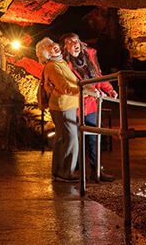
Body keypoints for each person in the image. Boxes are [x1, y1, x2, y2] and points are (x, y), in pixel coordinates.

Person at [37, 37, 99, 183]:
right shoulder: (53, 66)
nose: (54, 46)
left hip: (65, 105)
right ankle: (66, 172)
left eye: (53, 44)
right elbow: (65, 88)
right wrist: (85, 91)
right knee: (71, 140)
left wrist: (86, 87)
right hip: (63, 106)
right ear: (46, 53)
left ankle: (58, 171)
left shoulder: (60, 62)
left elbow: (72, 81)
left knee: (61, 138)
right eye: (49, 47)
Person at [62, 33, 117, 182]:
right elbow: (68, 84)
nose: (75, 43)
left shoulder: (88, 59)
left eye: (76, 40)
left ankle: (97, 170)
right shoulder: (63, 64)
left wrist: (109, 89)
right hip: (75, 106)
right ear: (65, 47)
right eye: (70, 41)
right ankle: (78, 172)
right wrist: (88, 91)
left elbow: (98, 76)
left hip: (91, 106)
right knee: (77, 140)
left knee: (95, 138)